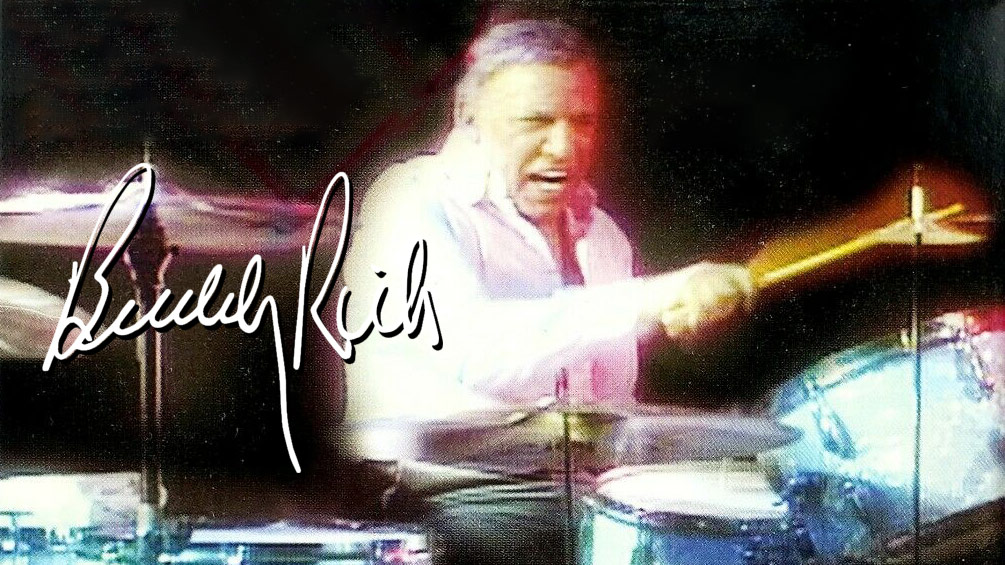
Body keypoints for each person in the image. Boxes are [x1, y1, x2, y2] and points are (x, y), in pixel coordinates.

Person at [340, 19, 754, 565]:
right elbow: (480, 354)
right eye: (536, 122)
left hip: (572, 498)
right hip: (446, 500)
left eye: (582, 122)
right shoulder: (411, 201)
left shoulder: (603, 237)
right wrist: (652, 298)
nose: (564, 147)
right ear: (469, 116)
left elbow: (604, 416)